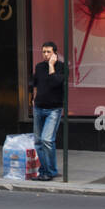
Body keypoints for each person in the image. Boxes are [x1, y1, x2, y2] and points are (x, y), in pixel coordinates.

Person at [30, 41, 67, 181]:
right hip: (39, 107)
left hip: (54, 109)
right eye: (44, 51)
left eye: (48, 52)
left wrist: (51, 65)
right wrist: (33, 99)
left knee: (47, 140)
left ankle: (50, 171)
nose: (45, 54)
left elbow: (55, 83)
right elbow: (35, 84)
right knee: (38, 141)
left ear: (55, 54)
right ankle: (45, 171)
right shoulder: (39, 67)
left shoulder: (62, 67)